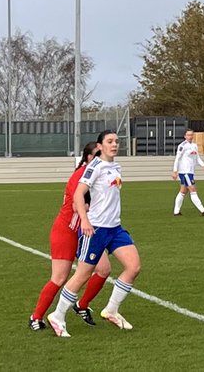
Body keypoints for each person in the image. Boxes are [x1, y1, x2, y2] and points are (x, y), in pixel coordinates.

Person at [46, 130, 143, 336]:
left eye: (117, 141)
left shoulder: (116, 166)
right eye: (110, 141)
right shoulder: (94, 167)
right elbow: (79, 194)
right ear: (100, 146)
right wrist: (85, 221)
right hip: (96, 229)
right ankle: (58, 315)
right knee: (83, 274)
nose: (114, 144)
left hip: (115, 228)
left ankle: (111, 310)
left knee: (133, 267)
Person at [29, 141, 112, 331]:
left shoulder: (99, 174)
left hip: (86, 231)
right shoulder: (81, 175)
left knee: (104, 269)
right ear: (89, 157)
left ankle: (81, 305)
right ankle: (36, 317)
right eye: (97, 154)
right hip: (67, 231)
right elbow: (77, 205)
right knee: (59, 277)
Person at [171, 129, 204, 216]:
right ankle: (203, 210)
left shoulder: (194, 145)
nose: (190, 136)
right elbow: (177, 159)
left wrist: (203, 165)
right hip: (185, 172)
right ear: (185, 136)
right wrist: (175, 171)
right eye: (188, 135)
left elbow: (197, 158)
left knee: (183, 191)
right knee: (193, 190)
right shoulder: (182, 146)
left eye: (191, 135)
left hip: (190, 172)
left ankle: (176, 211)